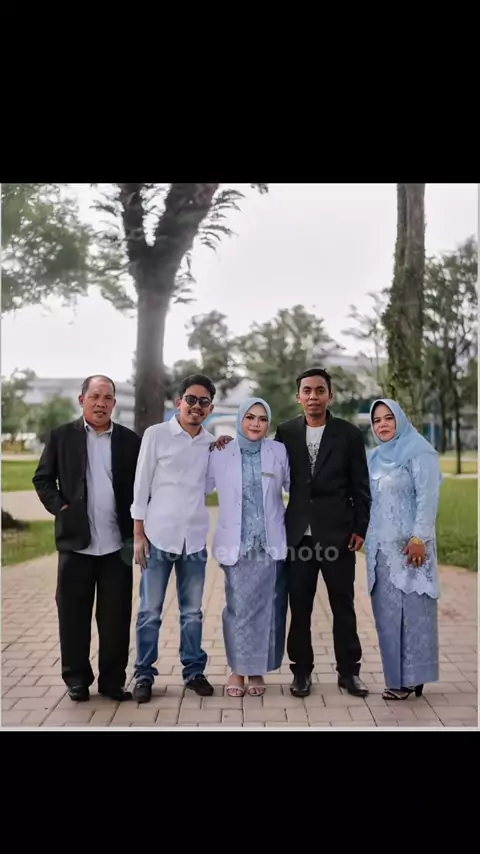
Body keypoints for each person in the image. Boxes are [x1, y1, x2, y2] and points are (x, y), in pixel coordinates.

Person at [32, 375, 141, 703]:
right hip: (75, 543)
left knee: (116, 618)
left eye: (107, 398)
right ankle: (77, 679)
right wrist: (61, 508)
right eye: (95, 396)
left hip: (117, 546)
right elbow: (42, 479)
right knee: (73, 616)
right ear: (82, 400)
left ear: (114, 403)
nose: (101, 403)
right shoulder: (61, 436)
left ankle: (112, 681)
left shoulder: (129, 441)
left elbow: (143, 484)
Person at [131, 374, 231, 703]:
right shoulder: (156, 435)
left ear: (210, 408)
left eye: (204, 402)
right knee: (150, 611)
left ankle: (193, 671)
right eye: (191, 399)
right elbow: (141, 484)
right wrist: (138, 534)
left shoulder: (210, 444)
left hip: (195, 540)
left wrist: (223, 452)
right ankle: (143, 674)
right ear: (179, 402)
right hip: (158, 537)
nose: (196, 406)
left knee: (192, 613)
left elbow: (208, 487)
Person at [275, 368, 371, 698]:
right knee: (300, 608)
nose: (313, 396)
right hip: (298, 538)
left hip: (338, 535)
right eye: (307, 391)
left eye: (319, 390)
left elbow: (361, 486)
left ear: (330, 395)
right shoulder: (286, 432)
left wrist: (360, 528)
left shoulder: (348, 434)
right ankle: (301, 672)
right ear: (298, 396)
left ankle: (349, 672)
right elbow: (267, 465)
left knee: (343, 606)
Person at [206, 398, 290, 697]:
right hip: (237, 546)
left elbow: (294, 487)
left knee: (267, 610)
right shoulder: (220, 452)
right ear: (240, 419)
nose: (256, 423)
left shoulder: (278, 451)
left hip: (269, 544)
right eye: (250, 417)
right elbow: (202, 487)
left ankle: (257, 671)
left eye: (263, 419)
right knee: (238, 609)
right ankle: (237, 669)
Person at [365, 399, 442, 700]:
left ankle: (413, 678)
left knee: (414, 611)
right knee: (387, 616)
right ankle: (396, 678)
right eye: (377, 420)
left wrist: (419, 537)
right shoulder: (373, 457)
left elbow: (427, 497)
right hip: (380, 551)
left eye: (388, 418)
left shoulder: (419, 452)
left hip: (412, 548)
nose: (382, 424)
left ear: (400, 420)